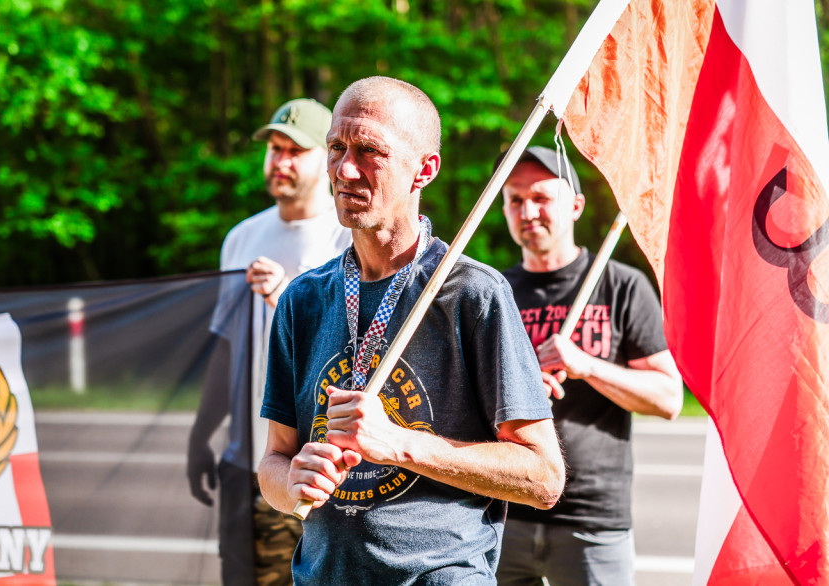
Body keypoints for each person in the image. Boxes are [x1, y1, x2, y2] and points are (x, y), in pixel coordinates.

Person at [258, 76, 565, 585]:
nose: (344, 168)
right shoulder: (302, 300)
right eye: (336, 146)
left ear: (425, 170)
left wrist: (398, 444)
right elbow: (273, 459)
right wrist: (291, 482)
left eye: (369, 150)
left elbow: (543, 476)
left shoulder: (473, 293)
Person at [495, 146, 683, 586]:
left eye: (542, 197)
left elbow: (669, 398)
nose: (528, 211)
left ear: (575, 206)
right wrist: (513, 389)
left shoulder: (621, 286)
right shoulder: (493, 291)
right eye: (516, 199)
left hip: (593, 522)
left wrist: (587, 366)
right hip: (505, 513)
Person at [187, 98, 352, 586]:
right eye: (274, 149)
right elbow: (227, 348)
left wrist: (286, 297)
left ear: (326, 160)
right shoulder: (242, 237)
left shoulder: (345, 239)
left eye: (294, 151)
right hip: (247, 460)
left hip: (312, 461)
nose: (280, 161)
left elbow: (357, 348)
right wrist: (202, 436)